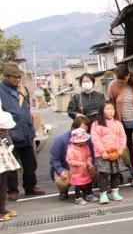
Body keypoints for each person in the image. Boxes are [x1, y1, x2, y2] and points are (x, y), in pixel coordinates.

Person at [0, 62, 44, 200]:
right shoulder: (1, 90)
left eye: (19, 76)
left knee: (30, 162)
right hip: (10, 132)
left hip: (26, 131)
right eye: (14, 77)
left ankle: (31, 186)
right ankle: (12, 190)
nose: (18, 79)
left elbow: (26, 108)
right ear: (6, 76)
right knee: (12, 164)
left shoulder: (23, 89)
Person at [107, 64, 133, 175]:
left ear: (128, 75)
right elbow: (110, 104)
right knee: (128, 147)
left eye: (123, 79)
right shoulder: (113, 86)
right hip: (123, 124)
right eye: (118, 79)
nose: (120, 81)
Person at [91, 100, 127, 204]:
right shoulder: (96, 124)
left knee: (116, 173)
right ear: (102, 111)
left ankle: (115, 192)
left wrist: (121, 148)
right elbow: (95, 139)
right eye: (108, 109)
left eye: (112, 109)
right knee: (104, 174)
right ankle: (103, 194)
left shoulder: (118, 123)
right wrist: (102, 152)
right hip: (103, 155)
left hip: (116, 153)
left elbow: (122, 137)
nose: (111, 111)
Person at [50, 115, 92, 200]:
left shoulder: (87, 139)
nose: (85, 133)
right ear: (73, 128)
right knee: (62, 181)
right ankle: (64, 191)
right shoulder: (60, 140)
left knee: (96, 171)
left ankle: (86, 189)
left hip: (83, 167)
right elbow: (54, 159)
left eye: (86, 131)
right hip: (68, 169)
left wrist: (90, 164)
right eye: (82, 130)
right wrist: (61, 171)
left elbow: (91, 155)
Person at [0, 106, 19, 221]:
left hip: (4, 159)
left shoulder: (4, 134)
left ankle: (2, 209)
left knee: (3, 184)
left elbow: (8, 142)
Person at [66, 128, 95, 205]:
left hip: (85, 170)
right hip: (76, 172)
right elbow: (70, 160)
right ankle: (78, 198)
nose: (85, 141)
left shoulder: (86, 147)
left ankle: (89, 194)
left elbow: (89, 156)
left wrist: (89, 163)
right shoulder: (71, 149)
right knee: (78, 185)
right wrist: (80, 163)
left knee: (89, 182)